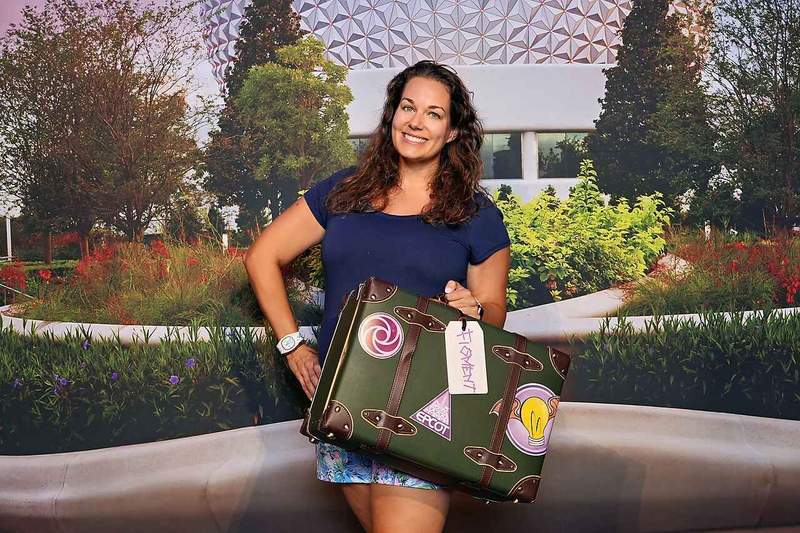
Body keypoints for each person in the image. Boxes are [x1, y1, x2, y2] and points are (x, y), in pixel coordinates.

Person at [244, 60, 511, 533]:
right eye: (407, 107)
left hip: (424, 408)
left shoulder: (475, 213)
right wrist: (292, 347)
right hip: (345, 400)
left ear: (452, 132)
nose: (415, 121)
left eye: (433, 113)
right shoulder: (343, 191)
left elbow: (494, 313)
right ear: (391, 116)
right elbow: (262, 256)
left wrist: (474, 310)